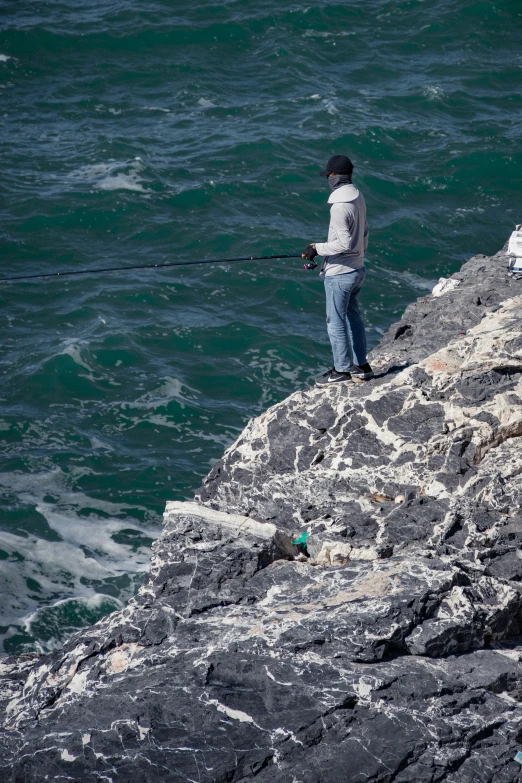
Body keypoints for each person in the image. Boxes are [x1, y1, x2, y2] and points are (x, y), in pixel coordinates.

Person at [302, 154, 374, 387]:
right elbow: (363, 235)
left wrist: (316, 248)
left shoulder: (339, 207)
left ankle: (342, 370)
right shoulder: (358, 197)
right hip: (358, 270)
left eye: (329, 175)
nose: (328, 179)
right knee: (353, 317)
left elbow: (344, 244)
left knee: (335, 321)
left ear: (335, 176)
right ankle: (362, 366)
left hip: (341, 274)